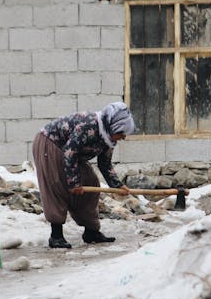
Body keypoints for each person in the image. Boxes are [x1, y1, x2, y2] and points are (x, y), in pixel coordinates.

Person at [32, 101, 135, 249]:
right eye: (122, 132)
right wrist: (74, 183)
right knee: (57, 184)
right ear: (114, 126)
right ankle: (56, 236)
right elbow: (69, 153)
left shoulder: (108, 138)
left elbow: (104, 164)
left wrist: (117, 186)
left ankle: (91, 232)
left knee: (91, 183)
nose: (123, 137)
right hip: (50, 143)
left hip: (70, 153)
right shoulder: (89, 125)